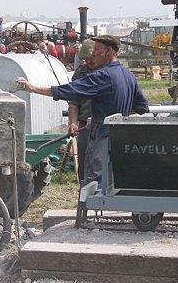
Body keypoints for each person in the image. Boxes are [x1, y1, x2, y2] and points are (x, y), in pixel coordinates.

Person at [15, 35, 148, 184]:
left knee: (94, 183)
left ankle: (90, 205)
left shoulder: (103, 76)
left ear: (109, 51)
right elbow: (142, 107)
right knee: (114, 181)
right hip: (121, 137)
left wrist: (32, 88)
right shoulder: (129, 76)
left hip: (102, 137)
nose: (93, 54)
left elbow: (69, 90)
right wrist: (117, 115)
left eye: (97, 50)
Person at [67, 39, 97, 181]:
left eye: (91, 59)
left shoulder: (109, 72)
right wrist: (73, 123)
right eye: (85, 59)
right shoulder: (80, 74)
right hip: (85, 125)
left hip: (107, 124)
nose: (88, 62)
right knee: (84, 166)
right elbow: (73, 103)